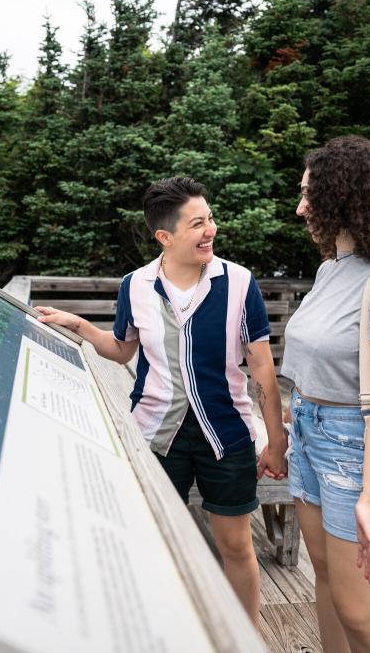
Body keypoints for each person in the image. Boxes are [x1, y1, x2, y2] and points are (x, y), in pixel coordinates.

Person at [34, 176, 288, 623]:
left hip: (226, 434)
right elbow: (123, 349)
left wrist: (277, 441)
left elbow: (262, 367)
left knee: (235, 546)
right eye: (197, 224)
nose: (210, 229)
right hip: (154, 435)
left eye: (209, 219)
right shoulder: (135, 285)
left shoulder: (239, 282)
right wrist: (82, 328)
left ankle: (244, 638)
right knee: (155, 544)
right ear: (164, 236)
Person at [281, 136, 370, 652]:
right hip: (307, 431)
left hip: (354, 446)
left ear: (342, 198)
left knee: (361, 612)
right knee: (323, 574)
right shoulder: (329, 271)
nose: (301, 208)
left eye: (309, 195)